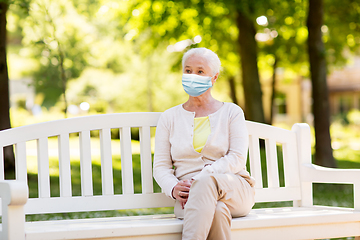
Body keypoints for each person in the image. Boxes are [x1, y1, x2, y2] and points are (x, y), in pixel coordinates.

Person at [153, 47, 255, 240]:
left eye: (200, 71)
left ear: (214, 77)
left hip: (233, 189)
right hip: (188, 199)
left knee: (207, 181)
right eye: (188, 70)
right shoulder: (169, 117)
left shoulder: (232, 112)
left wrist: (203, 178)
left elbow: (237, 157)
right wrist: (173, 187)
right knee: (216, 211)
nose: (192, 75)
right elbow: (160, 167)